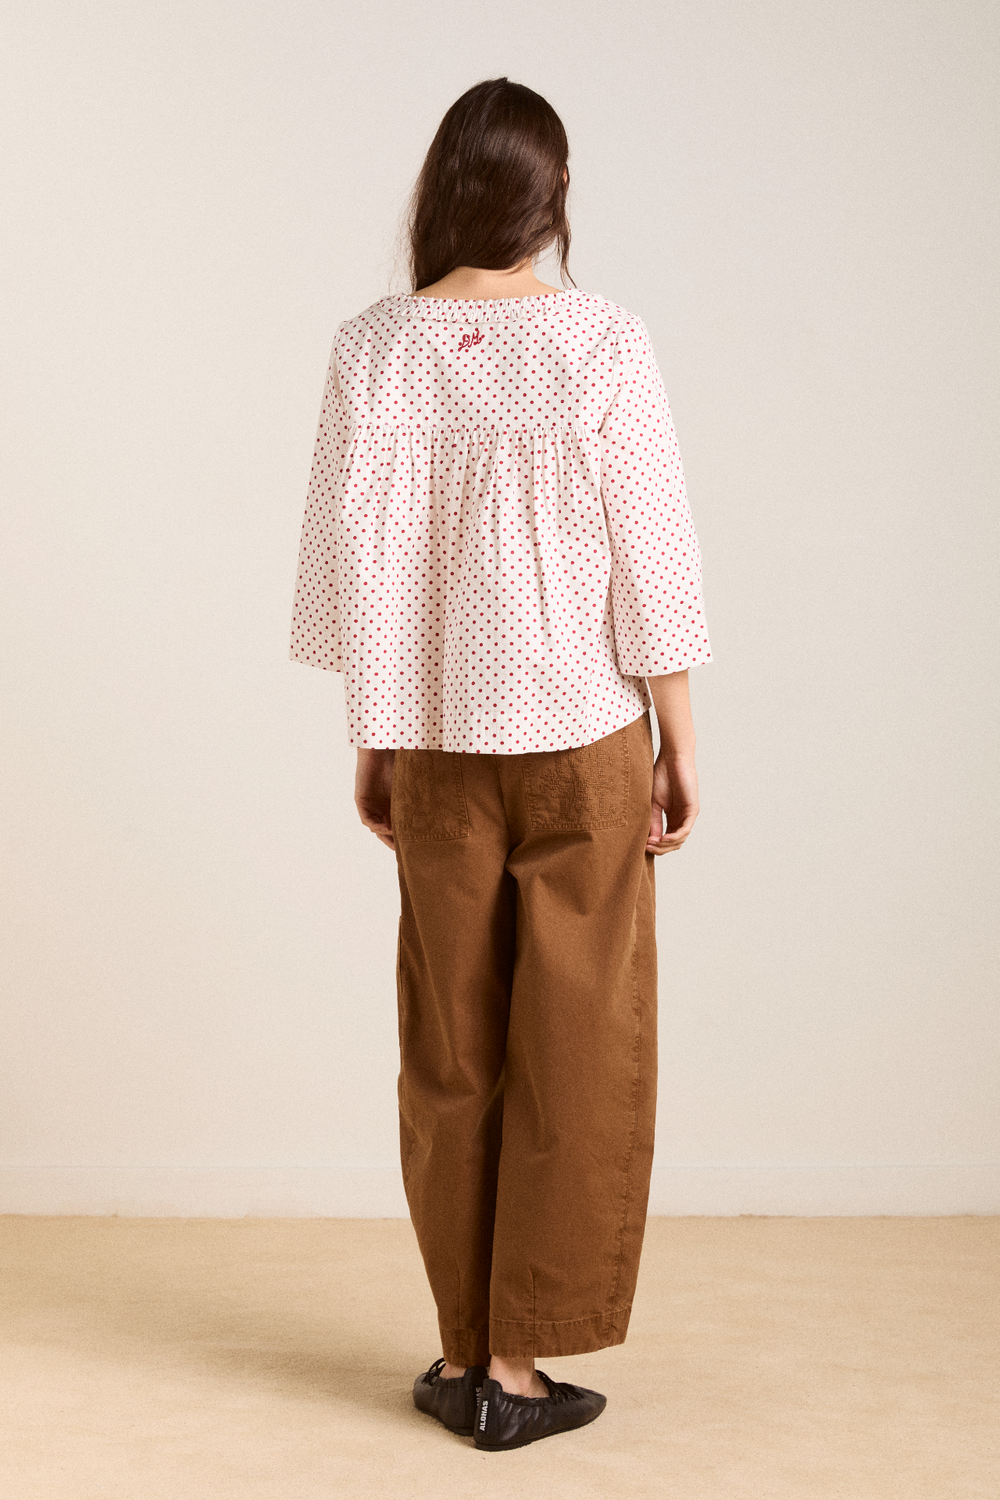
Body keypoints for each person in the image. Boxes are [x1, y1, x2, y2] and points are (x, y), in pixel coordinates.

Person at [290, 77, 711, 1452]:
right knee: (576, 1044)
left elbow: (348, 567)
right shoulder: (601, 341)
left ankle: (463, 1351)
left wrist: (374, 740)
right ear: (554, 195)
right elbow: (653, 554)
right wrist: (680, 742)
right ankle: (517, 1372)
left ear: (443, 189)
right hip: (584, 737)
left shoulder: (373, 347)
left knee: (450, 1049)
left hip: (432, 746)